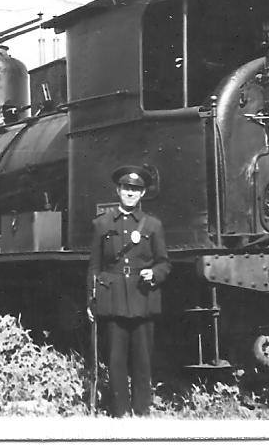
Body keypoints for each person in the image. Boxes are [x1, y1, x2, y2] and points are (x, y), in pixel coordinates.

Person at [87, 165, 171, 417]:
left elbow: (164, 262)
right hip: (112, 299)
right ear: (118, 190)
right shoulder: (102, 224)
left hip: (142, 297)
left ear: (143, 193)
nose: (130, 193)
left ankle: (142, 409)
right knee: (116, 359)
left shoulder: (153, 225)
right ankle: (120, 411)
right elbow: (94, 266)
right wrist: (91, 301)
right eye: (126, 188)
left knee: (143, 359)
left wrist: (154, 274)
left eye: (135, 189)